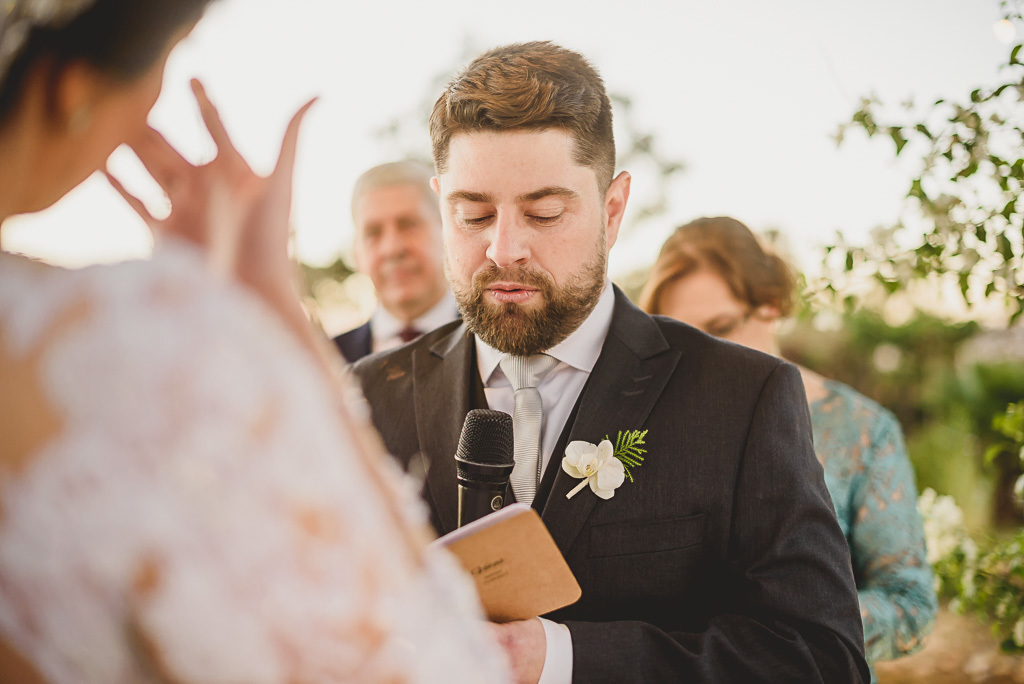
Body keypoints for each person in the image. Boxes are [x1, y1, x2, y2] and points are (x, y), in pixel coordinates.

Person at [0, 1, 509, 682]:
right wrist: (267, 313)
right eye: (165, 62)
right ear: (77, 88)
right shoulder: (134, 345)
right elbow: (444, 666)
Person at [352, 40, 870, 683]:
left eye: (544, 212)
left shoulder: (744, 397)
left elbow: (822, 661)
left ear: (613, 208)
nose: (504, 248)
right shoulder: (365, 397)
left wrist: (563, 660)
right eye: (473, 213)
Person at [639, 215, 938, 681]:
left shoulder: (862, 430)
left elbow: (909, 602)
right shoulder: (649, 429)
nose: (702, 357)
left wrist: (798, 628)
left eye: (718, 328)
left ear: (772, 305)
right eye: (680, 338)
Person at [333, 160, 457, 363]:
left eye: (409, 225)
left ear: (445, 230)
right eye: (373, 233)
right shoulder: (326, 361)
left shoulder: (493, 345)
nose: (392, 249)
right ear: (357, 250)